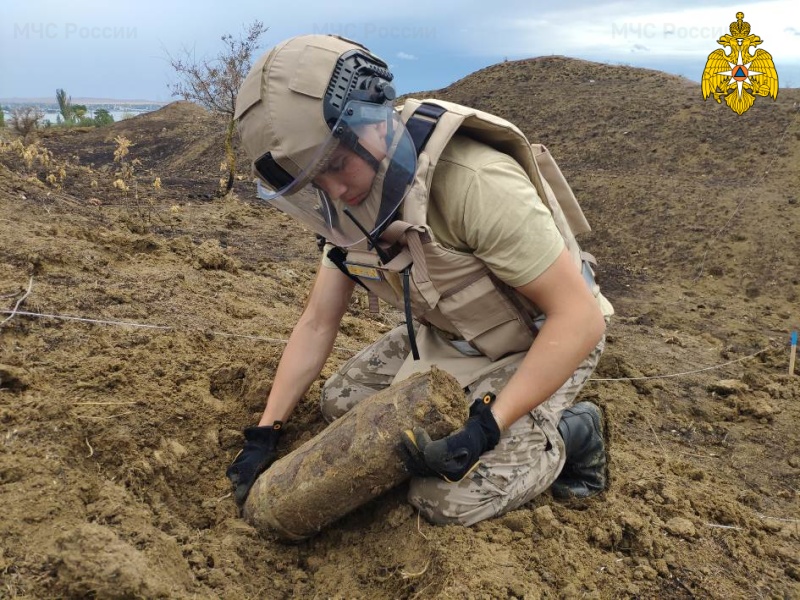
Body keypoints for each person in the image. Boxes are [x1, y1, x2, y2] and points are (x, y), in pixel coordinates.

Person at [225, 34, 614, 526]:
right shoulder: (343, 204)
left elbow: (578, 319)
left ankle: (575, 432)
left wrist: (486, 428)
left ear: (374, 117)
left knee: (444, 501)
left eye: (337, 165)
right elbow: (318, 322)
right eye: (313, 182)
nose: (337, 192)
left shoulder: (474, 182)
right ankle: (490, 410)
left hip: (544, 336)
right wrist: (265, 433)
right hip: (455, 335)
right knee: (340, 402)